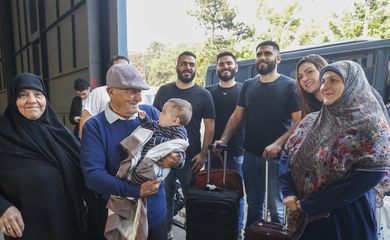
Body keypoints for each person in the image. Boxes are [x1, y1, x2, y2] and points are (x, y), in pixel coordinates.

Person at [280, 60, 390, 240]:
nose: (325, 86)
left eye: (334, 80)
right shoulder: (310, 122)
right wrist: (288, 193)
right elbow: (286, 156)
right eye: (323, 81)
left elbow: (368, 177)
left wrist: (308, 204)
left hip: (347, 220)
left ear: (353, 84)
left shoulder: (371, 125)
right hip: (306, 221)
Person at [81, 63, 181, 240]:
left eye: (140, 91)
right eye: (132, 91)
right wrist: (135, 190)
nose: (139, 98)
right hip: (121, 218)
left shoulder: (150, 113)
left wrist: (177, 159)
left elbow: (179, 139)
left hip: (155, 214)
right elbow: (93, 176)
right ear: (111, 92)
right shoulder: (95, 127)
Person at [214, 41, 301, 227]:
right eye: (259, 54)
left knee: (276, 207)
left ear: (277, 58)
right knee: (253, 205)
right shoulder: (248, 85)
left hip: (277, 158)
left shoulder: (290, 85)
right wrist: (223, 139)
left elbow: (300, 121)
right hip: (251, 156)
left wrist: (279, 143)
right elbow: (237, 115)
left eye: (267, 53)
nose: (262, 57)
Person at [0, 73, 86, 239]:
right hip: (29, 232)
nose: (32, 100)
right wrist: (2, 207)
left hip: (70, 229)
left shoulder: (60, 134)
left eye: (38, 94)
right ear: (12, 100)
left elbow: (89, 168)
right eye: (23, 95)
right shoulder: (3, 136)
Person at [105, 98, 192, 240]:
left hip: (152, 166)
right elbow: (151, 125)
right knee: (131, 172)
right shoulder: (160, 125)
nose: (159, 114)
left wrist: (159, 143)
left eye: (163, 112)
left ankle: (130, 189)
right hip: (144, 160)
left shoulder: (178, 131)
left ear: (175, 121)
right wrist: (144, 118)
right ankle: (128, 189)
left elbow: (179, 147)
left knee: (139, 176)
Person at [153, 51, 215, 239]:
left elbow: (210, 126)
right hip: (163, 156)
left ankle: (194, 235)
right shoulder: (164, 91)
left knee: (192, 199)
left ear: (195, 68)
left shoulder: (204, 94)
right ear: (177, 66)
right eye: (184, 63)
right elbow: (156, 119)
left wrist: (203, 154)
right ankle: (167, 233)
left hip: (191, 157)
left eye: (191, 64)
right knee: (164, 198)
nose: (188, 67)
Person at [206, 51, 245, 239]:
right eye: (221, 64)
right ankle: (216, 229)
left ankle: (237, 231)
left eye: (229, 63)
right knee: (212, 192)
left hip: (237, 152)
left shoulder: (244, 90)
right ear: (217, 68)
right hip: (211, 152)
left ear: (236, 67)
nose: (225, 67)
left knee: (237, 193)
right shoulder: (208, 92)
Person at [79, 55, 130, 136]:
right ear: (110, 71)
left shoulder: (138, 95)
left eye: (127, 68)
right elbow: (86, 122)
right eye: (119, 68)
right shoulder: (98, 93)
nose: (124, 71)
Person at [296, 54, 328, 118]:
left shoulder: (342, 98)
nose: (304, 79)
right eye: (300, 77)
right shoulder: (305, 106)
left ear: (323, 69)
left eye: (309, 71)